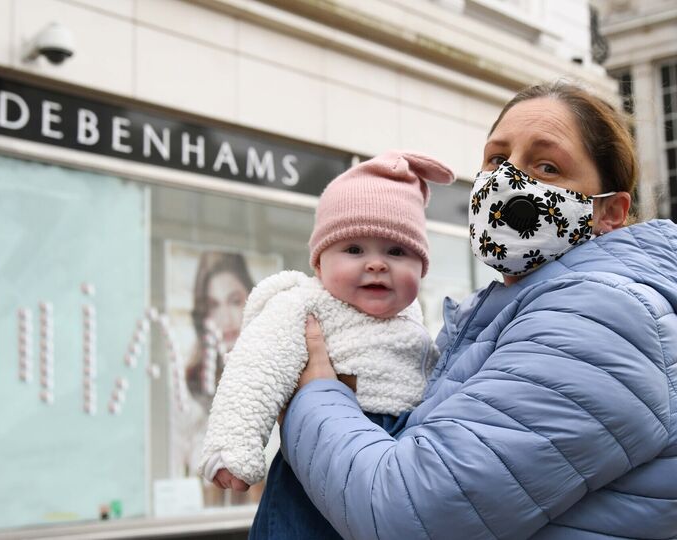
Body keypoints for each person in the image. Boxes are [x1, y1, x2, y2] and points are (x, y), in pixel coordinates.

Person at [267, 81, 677, 539]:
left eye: (547, 166)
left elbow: (409, 513)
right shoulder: (509, 313)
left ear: (610, 212)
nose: (508, 182)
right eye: (498, 160)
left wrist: (313, 396)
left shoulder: (601, 319)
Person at [199, 151, 456, 536]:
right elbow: (255, 371)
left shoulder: (414, 321)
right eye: (354, 249)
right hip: (313, 476)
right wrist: (233, 447)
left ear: (421, 267)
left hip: (395, 465)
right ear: (319, 264)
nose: (376, 264)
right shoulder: (304, 305)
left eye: (397, 251)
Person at [181, 251, 260, 506]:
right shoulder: (191, 384)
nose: (225, 318)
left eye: (234, 301)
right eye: (213, 305)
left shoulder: (275, 375)